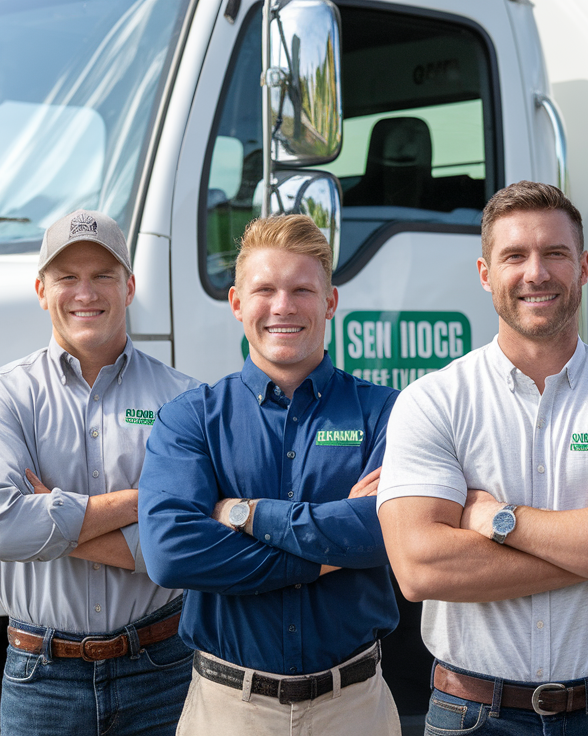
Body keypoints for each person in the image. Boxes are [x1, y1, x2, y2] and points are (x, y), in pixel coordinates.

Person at [376, 180, 588, 735]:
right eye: (514, 256)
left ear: (584, 266)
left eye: (555, 254)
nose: (536, 273)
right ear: (484, 273)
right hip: (473, 715)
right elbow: (420, 566)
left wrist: (497, 520)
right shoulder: (433, 401)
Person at [138, 215, 400, 735]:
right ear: (237, 303)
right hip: (230, 710)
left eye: (302, 289)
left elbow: (382, 532)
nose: (283, 306)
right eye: (265, 290)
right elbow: (170, 553)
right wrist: (325, 552)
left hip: (354, 708)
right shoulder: (191, 418)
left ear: (329, 302)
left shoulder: (385, 412)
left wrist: (244, 513)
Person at [0, 210, 200, 735]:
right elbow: (5, 530)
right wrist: (143, 501)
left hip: (163, 673)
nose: (85, 292)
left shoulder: (185, 400)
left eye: (102, 276)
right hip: (41, 679)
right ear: (42, 290)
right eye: (67, 277)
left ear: (130, 286)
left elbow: (185, 543)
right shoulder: (0, 397)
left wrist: (49, 518)